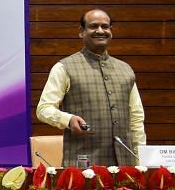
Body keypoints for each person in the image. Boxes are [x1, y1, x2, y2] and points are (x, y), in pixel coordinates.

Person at [36, 9, 146, 166]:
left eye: (105, 26)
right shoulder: (64, 67)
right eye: (94, 26)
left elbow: (136, 117)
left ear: (111, 31)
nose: (100, 31)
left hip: (125, 165)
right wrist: (68, 119)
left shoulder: (125, 69)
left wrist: (141, 157)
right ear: (81, 32)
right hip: (83, 168)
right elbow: (43, 109)